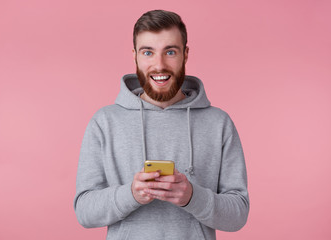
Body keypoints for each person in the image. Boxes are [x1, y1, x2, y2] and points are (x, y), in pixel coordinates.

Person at [74, 9, 249, 240]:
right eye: (148, 52)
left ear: (185, 54)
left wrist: (192, 197)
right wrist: (131, 194)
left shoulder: (219, 123)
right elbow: (84, 211)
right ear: (135, 55)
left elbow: (238, 214)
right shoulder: (104, 122)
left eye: (170, 51)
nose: (159, 64)